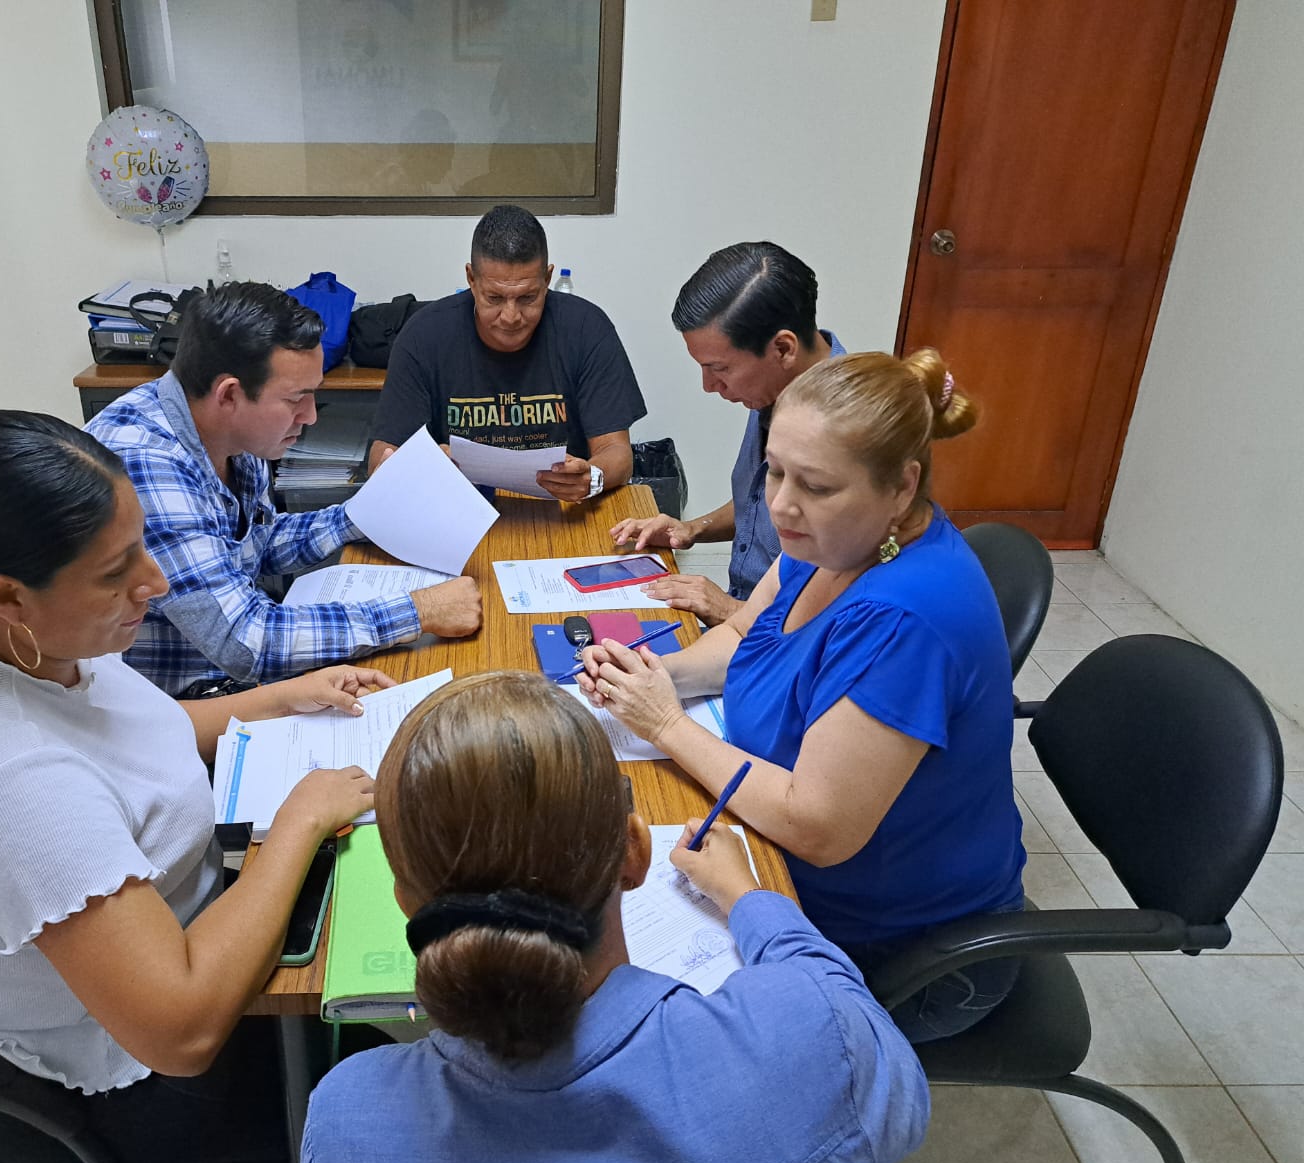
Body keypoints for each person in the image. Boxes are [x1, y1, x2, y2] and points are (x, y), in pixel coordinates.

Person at [0, 410, 389, 1163]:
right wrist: (299, 824)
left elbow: (144, 733)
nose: (155, 581)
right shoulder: (14, 783)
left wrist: (284, 698)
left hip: (175, 950)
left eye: (140, 544)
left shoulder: (42, 646)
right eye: (116, 571)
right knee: (387, 1095)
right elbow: (181, 1034)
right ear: (8, 596)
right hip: (110, 1086)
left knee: (379, 1018)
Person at [300, 671, 928, 1163]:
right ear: (635, 851)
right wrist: (746, 895)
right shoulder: (816, 1039)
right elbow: (889, 1086)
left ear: (406, 903)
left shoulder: (348, 1127)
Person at [582, 351, 1026, 1044]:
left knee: (635, 1022)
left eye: (815, 485)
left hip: (906, 949)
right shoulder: (832, 540)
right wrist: (655, 675)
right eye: (774, 471)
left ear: (902, 488)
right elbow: (745, 634)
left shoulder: (903, 618)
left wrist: (665, 723)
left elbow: (818, 828)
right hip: (785, 867)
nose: (781, 505)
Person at [88, 282, 482, 698]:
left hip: (236, 682)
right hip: (183, 705)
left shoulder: (229, 431)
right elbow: (244, 641)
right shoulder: (146, 462)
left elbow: (257, 544)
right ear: (230, 394)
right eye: (296, 399)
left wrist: (367, 511)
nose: (310, 416)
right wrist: (418, 611)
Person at [610, 242, 845, 624]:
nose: (709, 386)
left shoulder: (848, 432)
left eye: (720, 369)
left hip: (778, 640)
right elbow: (760, 507)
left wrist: (727, 610)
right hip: (744, 624)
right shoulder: (777, 387)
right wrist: (691, 529)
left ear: (783, 348)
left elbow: (837, 624)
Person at [368, 204, 647, 502]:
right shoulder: (423, 336)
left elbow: (617, 453)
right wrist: (408, 468)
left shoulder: (586, 329)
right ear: (471, 279)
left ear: (547, 279)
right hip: (455, 507)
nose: (511, 316)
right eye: (495, 298)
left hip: (563, 509)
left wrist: (592, 478)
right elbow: (383, 455)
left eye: (528, 297)